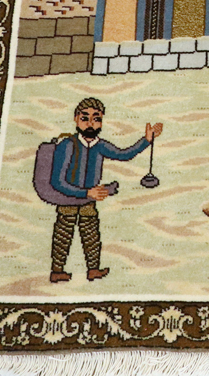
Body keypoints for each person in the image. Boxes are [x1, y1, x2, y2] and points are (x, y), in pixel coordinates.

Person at [48, 97, 163, 283]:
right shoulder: (67, 145)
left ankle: (93, 269)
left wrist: (146, 140)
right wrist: (86, 193)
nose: (90, 124)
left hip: (89, 200)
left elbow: (123, 154)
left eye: (96, 119)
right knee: (63, 234)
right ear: (76, 119)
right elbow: (57, 181)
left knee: (91, 234)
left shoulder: (100, 145)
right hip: (68, 199)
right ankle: (57, 271)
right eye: (85, 118)